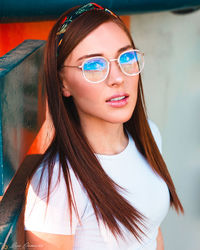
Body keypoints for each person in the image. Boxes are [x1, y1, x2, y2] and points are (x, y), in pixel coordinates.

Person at [24, 3, 183, 249]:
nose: (118, 77)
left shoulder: (149, 135)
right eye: (93, 65)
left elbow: (151, 233)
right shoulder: (58, 182)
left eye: (126, 57)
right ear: (63, 83)